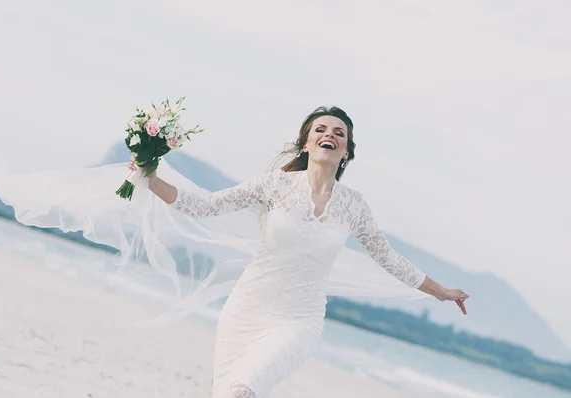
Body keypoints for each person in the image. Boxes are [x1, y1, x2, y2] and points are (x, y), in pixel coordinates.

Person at [127, 106, 470, 398]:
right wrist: (151, 178)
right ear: (306, 143)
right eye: (320, 129)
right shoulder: (274, 184)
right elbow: (203, 206)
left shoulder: (354, 206)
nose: (329, 134)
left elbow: (390, 259)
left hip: (298, 322)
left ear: (347, 151)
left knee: (242, 391)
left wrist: (442, 293)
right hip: (244, 312)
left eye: (339, 132)